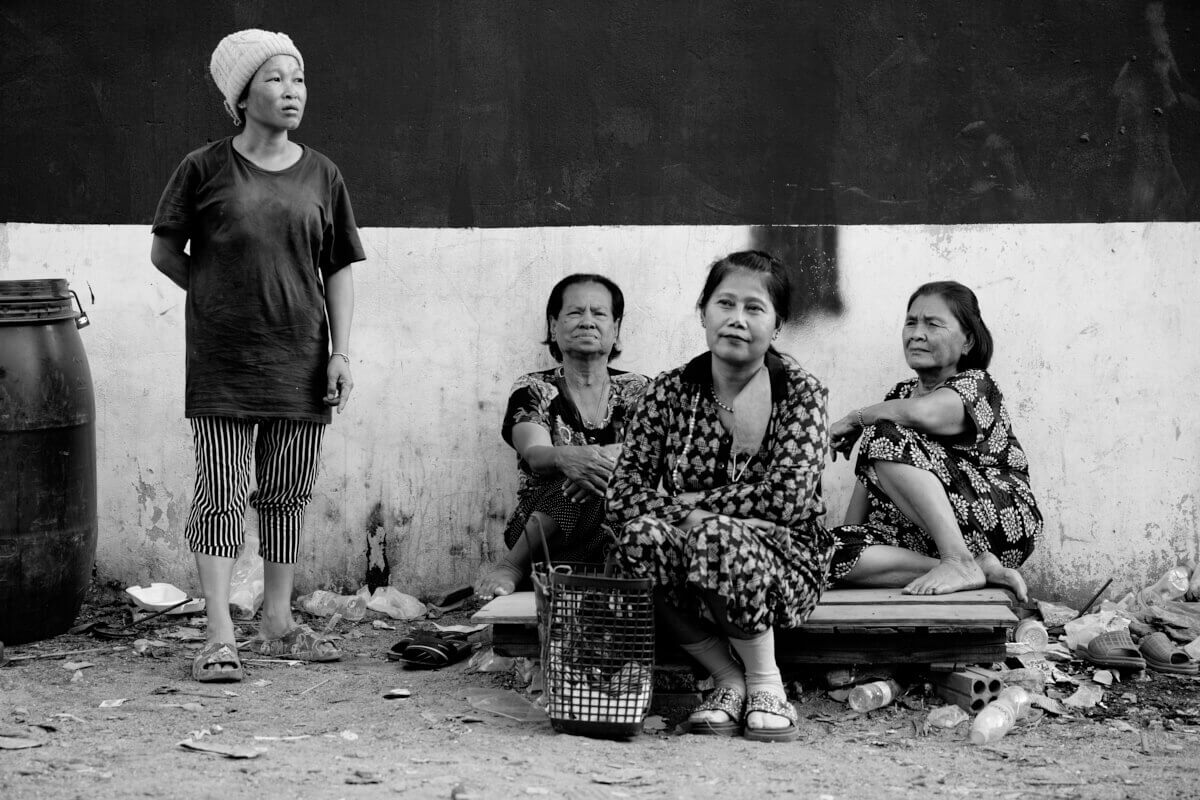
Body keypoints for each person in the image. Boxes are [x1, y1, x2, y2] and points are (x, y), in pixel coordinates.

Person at [150, 29, 365, 682]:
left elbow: (340, 270)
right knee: (219, 493)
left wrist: (341, 353)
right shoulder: (203, 167)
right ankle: (218, 632)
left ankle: (277, 622)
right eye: (274, 79)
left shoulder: (323, 173)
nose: (291, 91)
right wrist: (216, 297)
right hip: (223, 365)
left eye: (298, 78)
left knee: (286, 494)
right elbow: (165, 251)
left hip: (300, 362)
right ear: (242, 95)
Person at [607, 251, 832, 743]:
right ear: (703, 312)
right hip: (699, 549)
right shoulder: (667, 392)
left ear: (777, 325)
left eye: (755, 308)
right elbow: (622, 498)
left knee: (716, 537)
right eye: (724, 303)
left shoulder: (799, 392)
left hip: (785, 558)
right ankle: (726, 679)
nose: (737, 318)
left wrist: (695, 509)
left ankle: (766, 683)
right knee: (639, 537)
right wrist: (700, 517)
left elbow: (790, 500)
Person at [828, 281, 1043, 601]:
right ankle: (972, 567)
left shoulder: (976, 385)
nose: (916, 333)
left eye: (932, 323)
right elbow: (869, 479)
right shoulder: (898, 397)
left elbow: (922, 414)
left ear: (968, 340)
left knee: (883, 432)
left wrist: (856, 418)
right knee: (817, 553)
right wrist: (848, 538)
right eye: (911, 322)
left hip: (995, 521)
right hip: (924, 539)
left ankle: (958, 560)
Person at [478, 274, 649, 599]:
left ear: (615, 328)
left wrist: (599, 463)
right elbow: (535, 453)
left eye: (599, 314)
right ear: (554, 327)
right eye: (575, 313)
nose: (587, 322)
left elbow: (659, 453)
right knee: (577, 476)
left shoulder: (639, 389)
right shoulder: (534, 389)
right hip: (542, 535)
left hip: (614, 530)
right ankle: (512, 566)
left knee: (604, 481)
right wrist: (569, 459)